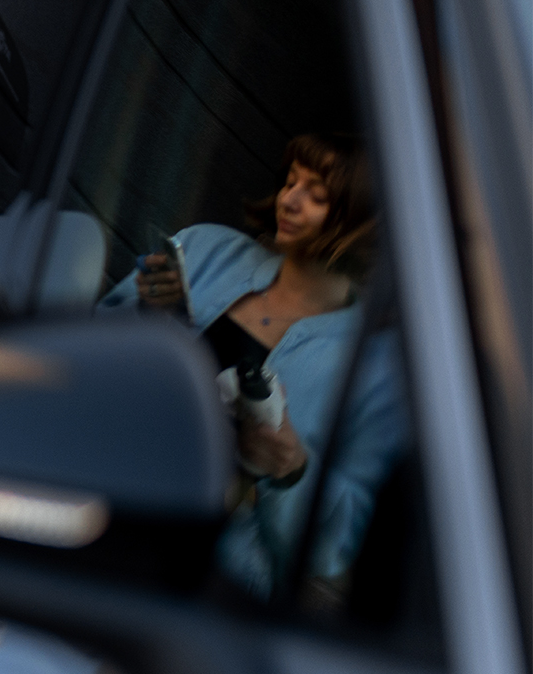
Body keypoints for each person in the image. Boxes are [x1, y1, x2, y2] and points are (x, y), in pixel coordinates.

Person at [98, 133, 405, 603]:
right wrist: (154, 322)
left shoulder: (376, 370)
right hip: (109, 505)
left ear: (359, 225)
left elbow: (344, 550)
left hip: (211, 587)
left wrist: (290, 470)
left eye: (316, 195)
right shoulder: (205, 250)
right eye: (291, 182)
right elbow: (90, 356)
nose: (290, 200)